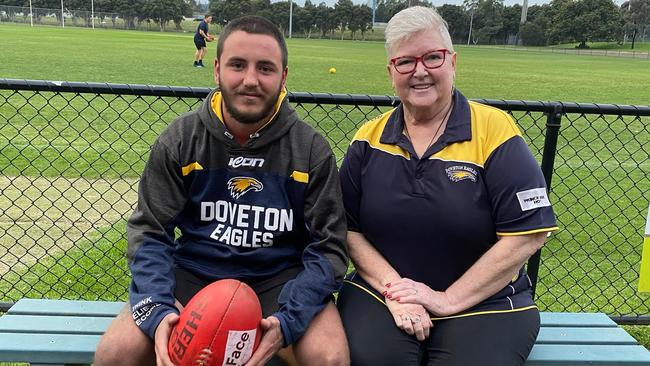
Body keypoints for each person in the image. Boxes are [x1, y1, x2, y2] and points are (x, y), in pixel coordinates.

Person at [95, 15, 349, 366]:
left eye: (265, 68)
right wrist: (158, 307)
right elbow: (150, 232)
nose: (250, 80)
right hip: (194, 275)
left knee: (329, 357)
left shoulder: (310, 150)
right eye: (237, 65)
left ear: (283, 77)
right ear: (217, 70)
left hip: (278, 282)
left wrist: (290, 318)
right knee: (116, 353)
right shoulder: (182, 139)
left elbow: (329, 248)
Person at [337, 6, 558, 366]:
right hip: (382, 293)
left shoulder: (494, 130)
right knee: (375, 359)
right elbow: (347, 227)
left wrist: (446, 299)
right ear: (391, 71)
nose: (420, 71)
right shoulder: (369, 137)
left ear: (453, 61)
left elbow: (529, 234)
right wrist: (398, 291)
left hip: (486, 302)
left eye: (432, 57)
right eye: (405, 62)